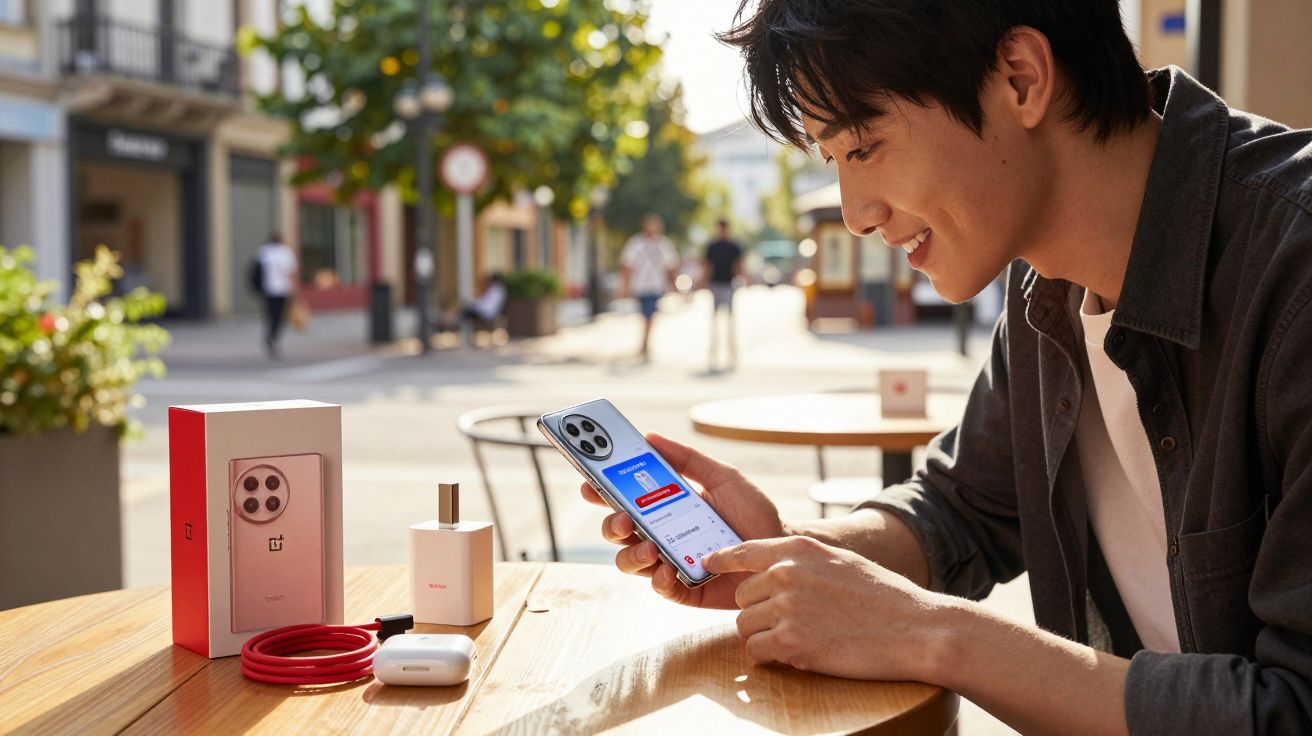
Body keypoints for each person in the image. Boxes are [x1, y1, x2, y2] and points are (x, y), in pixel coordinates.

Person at [581, 2, 1312, 733]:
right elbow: (961, 511)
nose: (855, 214)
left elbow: (1294, 709)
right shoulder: (1043, 288)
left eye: (863, 147)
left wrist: (928, 634)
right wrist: (787, 556)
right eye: (831, 161)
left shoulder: (1293, 270)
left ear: (1021, 79)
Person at [620, 214, 680, 361]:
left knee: (649, 314)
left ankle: (645, 343)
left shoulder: (663, 244)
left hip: (656, 285)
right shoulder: (636, 243)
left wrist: (674, 285)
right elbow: (627, 266)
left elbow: (670, 267)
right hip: (640, 285)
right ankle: (645, 342)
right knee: (646, 315)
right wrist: (625, 286)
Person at [701, 219, 745, 371]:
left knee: (730, 322)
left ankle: (732, 355)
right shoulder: (712, 247)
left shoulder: (734, 246)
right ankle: (713, 355)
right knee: (715, 322)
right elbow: (708, 266)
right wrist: (704, 282)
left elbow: (738, 265)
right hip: (716, 285)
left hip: (728, 285)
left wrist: (744, 279)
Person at [254, 233, 298, 359]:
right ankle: (273, 337)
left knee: (270, 314)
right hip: (282, 289)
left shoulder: (264, 252)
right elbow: (291, 272)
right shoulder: (285, 252)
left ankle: (270, 336)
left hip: (267, 289)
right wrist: (294, 289)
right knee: (280, 316)